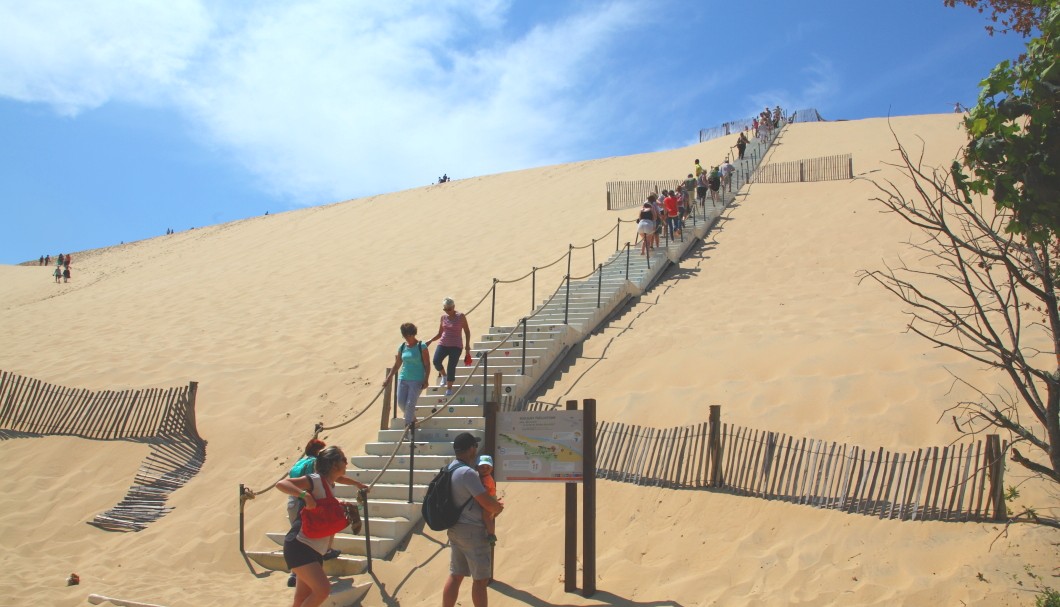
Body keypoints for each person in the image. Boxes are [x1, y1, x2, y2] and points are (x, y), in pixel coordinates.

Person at [276, 446, 355, 607]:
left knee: (301, 599)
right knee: (322, 590)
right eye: (343, 460)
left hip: (313, 549)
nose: (347, 463)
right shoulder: (315, 480)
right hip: (300, 545)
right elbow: (282, 483)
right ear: (334, 464)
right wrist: (305, 495)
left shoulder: (329, 484)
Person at [442, 433, 504, 607]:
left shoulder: (450, 468)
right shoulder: (468, 473)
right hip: (473, 531)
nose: (476, 450)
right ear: (470, 448)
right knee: (480, 580)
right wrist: (498, 507)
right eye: (474, 446)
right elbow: (487, 503)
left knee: (456, 575)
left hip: (455, 529)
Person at [425, 298, 471, 398]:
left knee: (451, 366)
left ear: (453, 307)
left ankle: (449, 388)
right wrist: (430, 340)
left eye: (449, 309)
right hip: (443, 343)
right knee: (436, 361)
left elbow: (467, 331)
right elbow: (440, 333)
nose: (447, 311)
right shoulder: (443, 318)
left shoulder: (461, 316)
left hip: (456, 345)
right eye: (445, 309)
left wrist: (467, 346)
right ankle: (444, 376)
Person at [389, 323, 431, 426]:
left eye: (409, 335)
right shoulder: (402, 347)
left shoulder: (422, 346)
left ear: (413, 334)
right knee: (401, 403)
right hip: (403, 378)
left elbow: (427, 364)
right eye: (405, 336)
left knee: (410, 404)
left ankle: (408, 427)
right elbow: (397, 363)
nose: (407, 338)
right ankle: (413, 420)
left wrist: (426, 380)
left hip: (417, 379)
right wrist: (389, 377)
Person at [477, 455, 499, 546]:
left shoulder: (486, 478)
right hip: (489, 498)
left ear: (492, 468)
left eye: (488, 467)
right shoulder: (483, 477)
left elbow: (484, 490)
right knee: (488, 517)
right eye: (482, 467)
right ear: (477, 467)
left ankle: (491, 535)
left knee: (487, 517)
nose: (485, 469)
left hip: (490, 499)